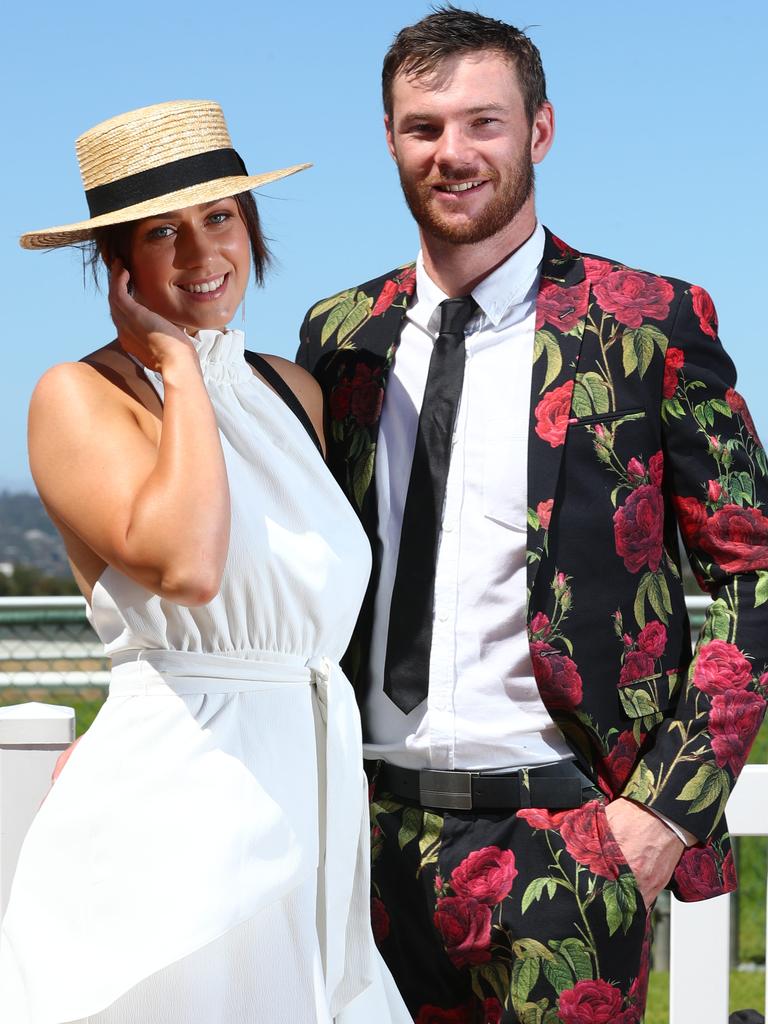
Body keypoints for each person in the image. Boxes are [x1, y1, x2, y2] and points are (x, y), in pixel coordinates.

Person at [296, 8, 768, 1022]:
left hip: (574, 843)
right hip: (368, 848)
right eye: (423, 127)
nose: (452, 153)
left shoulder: (649, 323)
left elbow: (754, 575)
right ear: (388, 139)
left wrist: (665, 815)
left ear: (539, 132)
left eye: (484, 123)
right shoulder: (341, 337)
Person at [0, 99, 411, 1024]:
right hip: (180, 813)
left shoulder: (288, 390)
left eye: (218, 216)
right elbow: (188, 568)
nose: (200, 254)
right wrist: (178, 370)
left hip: (310, 804)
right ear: (118, 262)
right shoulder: (78, 395)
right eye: (162, 232)